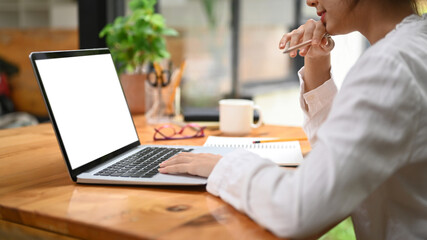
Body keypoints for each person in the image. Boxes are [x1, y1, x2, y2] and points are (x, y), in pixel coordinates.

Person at [159, 0, 427, 238]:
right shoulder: (413, 45)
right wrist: (316, 62)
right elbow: (349, 152)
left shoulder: (392, 65)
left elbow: (297, 209)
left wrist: (224, 165)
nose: (310, 2)